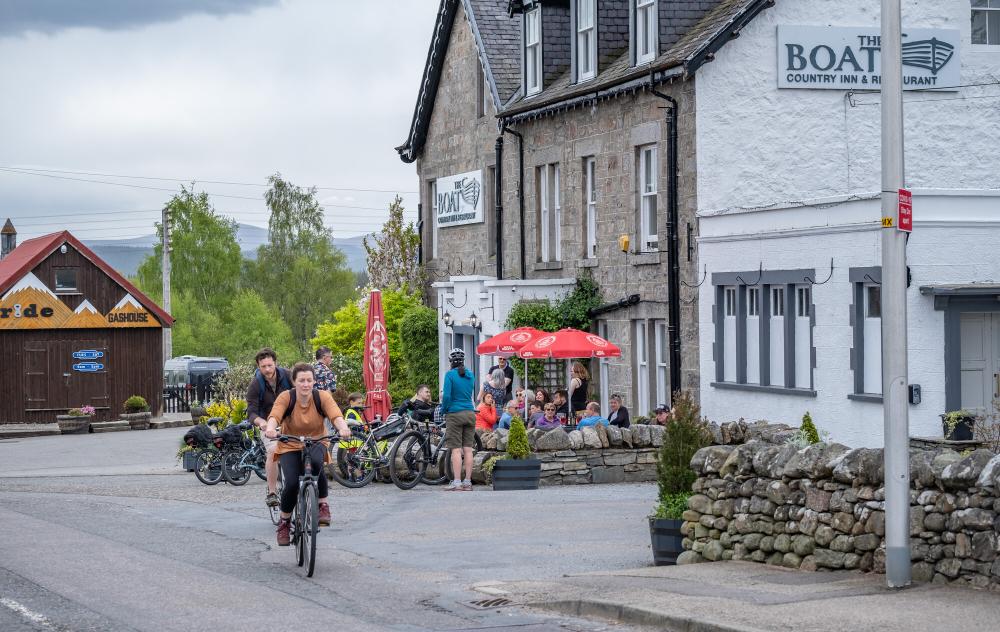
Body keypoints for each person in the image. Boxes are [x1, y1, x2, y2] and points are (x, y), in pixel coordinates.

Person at [265, 363, 351, 546]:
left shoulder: (322, 397)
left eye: (309, 380)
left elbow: (336, 415)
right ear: (294, 382)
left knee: (319, 465)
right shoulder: (286, 397)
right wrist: (271, 429)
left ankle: (322, 505)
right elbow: (275, 415)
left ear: (314, 381)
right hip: (290, 443)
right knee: (292, 483)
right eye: (301, 380)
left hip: (317, 440)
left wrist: (343, 428)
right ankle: (285, 522)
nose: (305, 384)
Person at [246, 348, 293, 508]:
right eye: (263, 366)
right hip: (269, 426)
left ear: (275, 363)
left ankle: (308, 482)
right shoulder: (256, 384)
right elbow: (251, 412)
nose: (267, 369)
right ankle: (272, 492)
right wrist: (261, 423)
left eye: (269, 365)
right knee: (273, 451)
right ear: (258, 367)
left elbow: (302, 394)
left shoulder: (288, 376)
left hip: (291, 423)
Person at [442, 348, 476, 491]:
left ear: (451, 361)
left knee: (456, 450)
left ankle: (456, 482)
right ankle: (467, 482)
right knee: (468, 449)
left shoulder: (449, 375)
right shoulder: (470, 375)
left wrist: (444, 409)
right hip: (470, 413)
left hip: (455, 414)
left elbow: (447, 396)